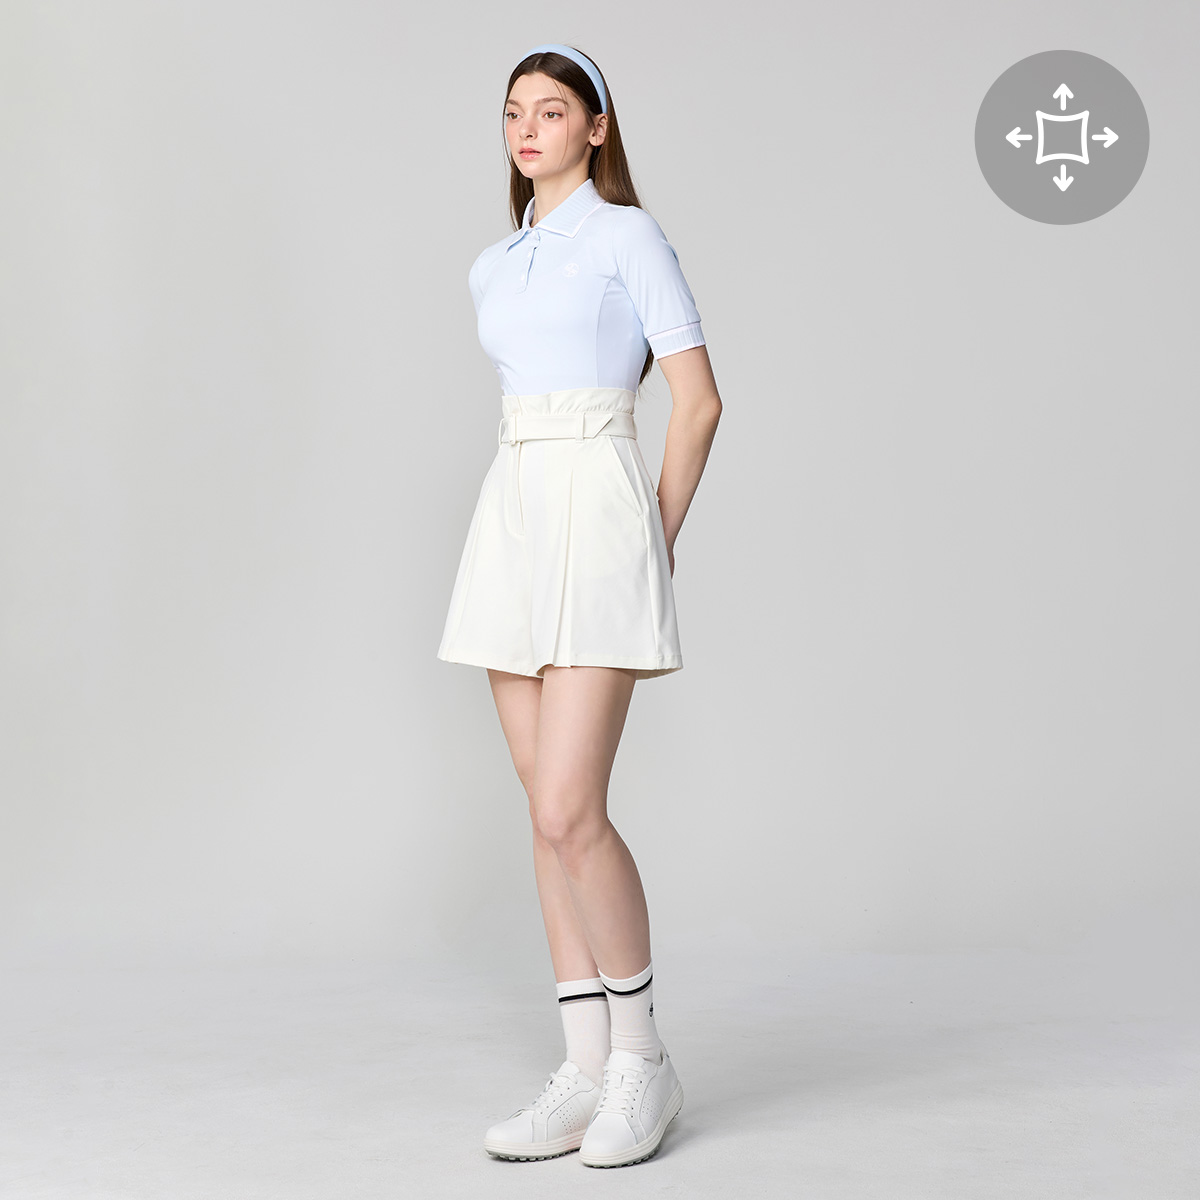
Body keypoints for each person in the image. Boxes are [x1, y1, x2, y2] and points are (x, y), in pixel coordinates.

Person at [437, 42, 722, 1168]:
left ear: (596, 128)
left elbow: (697, 401)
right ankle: (586, 1066)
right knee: (537, 807)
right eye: (514, 111)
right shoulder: (492, 264)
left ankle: (644, 1061)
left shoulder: (627, 236)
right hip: (513, 504)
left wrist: (652, 538)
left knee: (571, 807)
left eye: (551, 110)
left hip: (600, 503)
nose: (527, 128)